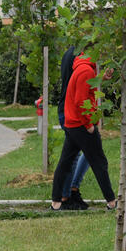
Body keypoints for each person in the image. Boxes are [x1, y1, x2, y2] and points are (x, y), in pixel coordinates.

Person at [51, 52, 116, 211]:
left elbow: (85, 86)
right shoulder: (86, 70)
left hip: (73, 123)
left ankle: (56, 203)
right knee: (99, 162)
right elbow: (81, 100)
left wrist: (101, 79)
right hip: (81, 125)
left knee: (65, 162)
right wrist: (89, 125)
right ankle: (112, 202)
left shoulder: (82, 67)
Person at [57, 45, 90, 210]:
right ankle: (66, 196)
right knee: (74, 155)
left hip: (69, 109)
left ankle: (71, 191)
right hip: (73, 110)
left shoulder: (69, 52)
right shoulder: (80, 56)